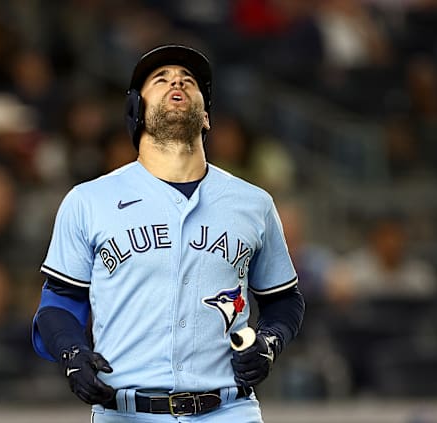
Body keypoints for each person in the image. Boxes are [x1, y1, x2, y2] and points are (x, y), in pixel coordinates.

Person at [31, 44, 305, 422]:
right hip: (125, 410)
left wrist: (268, 342)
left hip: (228, 408)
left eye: (188, 81)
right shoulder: (88, 200)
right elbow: (59, 302)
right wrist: (72, 355)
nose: (177, 81)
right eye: (161, 79)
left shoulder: (252, 202)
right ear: (137, 111)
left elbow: (284, 299)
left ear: (206, 116)